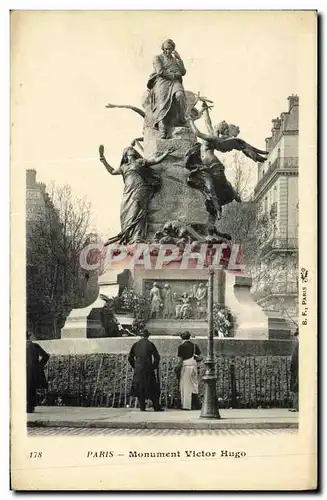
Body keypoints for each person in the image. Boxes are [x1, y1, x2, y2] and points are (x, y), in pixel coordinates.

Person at [99, 145, 172, 245]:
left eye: (133, 149)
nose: (132, 150)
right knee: (125, 213)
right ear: (125, 155)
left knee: (137, 211)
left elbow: (154, 161)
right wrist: (103, 160)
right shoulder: (124, 167)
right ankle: (128, 237)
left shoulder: (140, 162)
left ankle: (137, 237)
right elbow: (112, 171)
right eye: (129, 149)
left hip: (140, 188)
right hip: (128, 191)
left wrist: (164, 154)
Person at [147, 39, 187, 138]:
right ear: (163, 49)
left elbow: (183, 72)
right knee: (162, 101)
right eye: (166, 49)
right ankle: (162, 129)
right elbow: (160, 72)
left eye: (170, 49)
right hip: (162, 81)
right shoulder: (158, 58)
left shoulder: (175, 59)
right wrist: (174, 74)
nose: (168, 51)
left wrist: (179, 59)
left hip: (175, 82)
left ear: (173, 49)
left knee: (180, 95)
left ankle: (182, 119)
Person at [128, 330, 163, 411]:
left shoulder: (135, 345)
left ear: (140, 336)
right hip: (148, 368)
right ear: (148, 336)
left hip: (138, 369)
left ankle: (142, 407)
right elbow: (157, 357)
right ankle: (156, 407)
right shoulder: (150, 344)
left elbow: (130, 358)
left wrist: (135, 366)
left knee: (140, 388)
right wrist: (153, 366)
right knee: (152, 387)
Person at [177, 331, 202, 410]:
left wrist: (177, 368)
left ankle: (186, 405)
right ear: (189, 337)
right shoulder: (195, 346)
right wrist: (195, 357)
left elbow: (180, 360)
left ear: (182, 338)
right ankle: (196, 404)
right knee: (194, 385)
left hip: (186, 367)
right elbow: (200, 358)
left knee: (185, 387)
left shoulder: (181, 346)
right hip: (193, 366)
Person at [26, 331, 50, 413]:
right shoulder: (34, 346)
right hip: (32, 369)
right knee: (31, 388)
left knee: (27, 387)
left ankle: (28, 406)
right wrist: (39, 365)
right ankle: (30, 406)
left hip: (25, 370)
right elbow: (46, 356)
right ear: (29, 337)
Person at [289, 328, 299, 412]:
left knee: (297, 388)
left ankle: (296, 407)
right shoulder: (298, 344)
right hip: (296, 370)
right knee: (296, 388)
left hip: (299, 370)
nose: (297, 337)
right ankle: (295, 406)